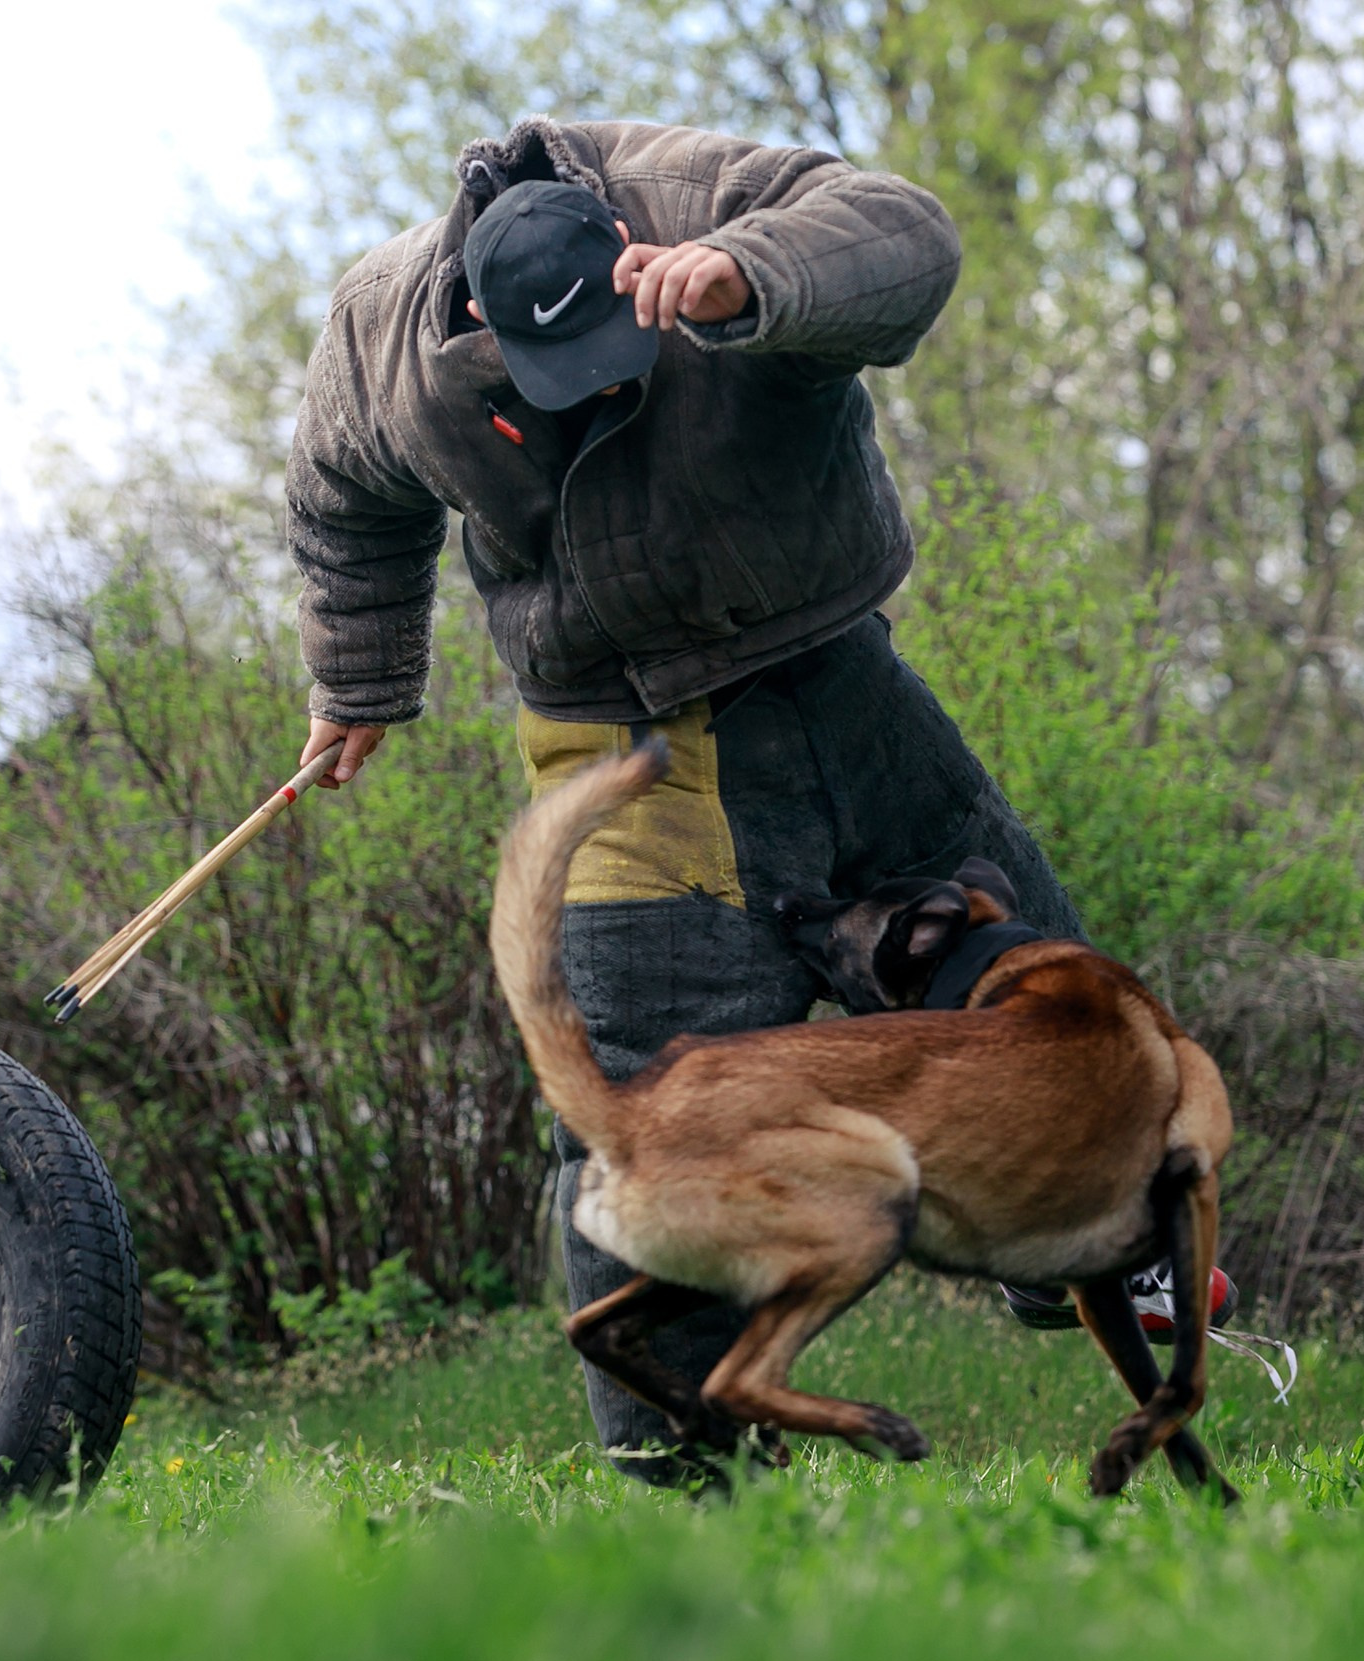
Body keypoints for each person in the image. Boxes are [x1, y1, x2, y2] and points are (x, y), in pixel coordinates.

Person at [284, 116, 1229, 1479]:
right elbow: (343, 500)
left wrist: (752, 272)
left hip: (839, 680)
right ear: (476, 320)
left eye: (607, 349)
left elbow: (910, 240)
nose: (587, 392)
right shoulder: (382, 331)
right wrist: (359, 678)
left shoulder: (705, 189)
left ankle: (1098, 1260)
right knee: (641, 1116)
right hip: (624, 740)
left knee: (1055, 1002)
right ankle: (685, 1472)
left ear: (629, 249)